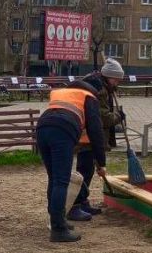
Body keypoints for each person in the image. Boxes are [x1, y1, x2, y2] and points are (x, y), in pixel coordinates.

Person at [36, 79, 107, 243]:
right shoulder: (89, 97)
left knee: (54, 178)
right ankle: (58, 230)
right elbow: (96, 132)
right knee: (62, 181)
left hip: (42, 128)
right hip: (62, 129)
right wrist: (101, 163)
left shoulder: (62, 92)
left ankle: (58, 221)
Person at [69, 59, 126, 221]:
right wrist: (118, 116)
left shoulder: (102, 86)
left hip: (90, 135)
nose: (118, 82)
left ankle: (82, 201)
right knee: (84, 170)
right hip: (87, 136)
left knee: (88, 171)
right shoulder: (99, 90)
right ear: (108, 77)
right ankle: (75, 205)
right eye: (116, 79)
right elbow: (104, 119)